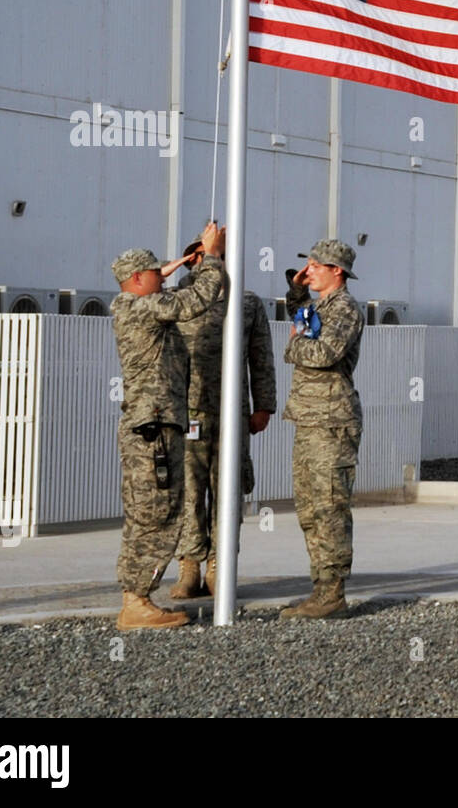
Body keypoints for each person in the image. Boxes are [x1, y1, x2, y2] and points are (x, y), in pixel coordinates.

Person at [108, 223, 225, 630]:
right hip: (153, 431)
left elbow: (168, 290)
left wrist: (177, 263)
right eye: (156, 274)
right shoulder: (137, 307)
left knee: (148, 512)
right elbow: (197, 299)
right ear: (137, 280)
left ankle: (136, 597)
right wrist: (210, 256)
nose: (165, 278)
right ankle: (137, 601)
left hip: (156, 427)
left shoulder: (136, 303)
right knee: (155, 513)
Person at [169, 235, 277, 599]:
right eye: (200, 257)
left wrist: (264, 405)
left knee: (227, 489)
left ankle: (219, 562)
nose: (207, 263)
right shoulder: (177, 301)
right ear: (189, 261)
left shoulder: (246, 302)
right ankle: (189, 565)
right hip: (186, 411)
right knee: (188, 490)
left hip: (231, 413)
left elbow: (261, 358)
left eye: (215, 256)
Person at [280, 238, 364, 619]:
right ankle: (320, 590)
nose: (309, 269)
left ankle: (333, 594)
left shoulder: (345, 309)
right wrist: (297, 293)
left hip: (331, 423)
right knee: (310, 510)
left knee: (330, 507)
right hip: (310, 420)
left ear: (337, 272)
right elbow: (303, 321)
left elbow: (323, 352)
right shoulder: (319, 307)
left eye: (316, 265)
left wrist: (292, 347)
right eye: (308, 263)